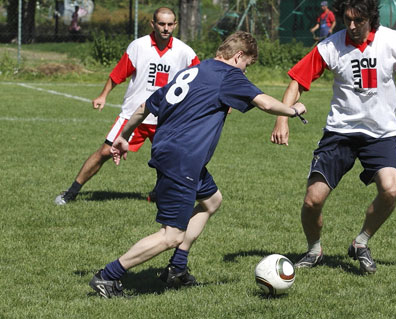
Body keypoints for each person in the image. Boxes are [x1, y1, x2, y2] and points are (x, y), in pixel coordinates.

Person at [89, 31, 306, 298]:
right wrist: (293, 110)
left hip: (176, 154)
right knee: (171, 236)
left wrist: (124, 135)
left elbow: (146, 105)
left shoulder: (194, 70)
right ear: (238, 56)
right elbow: (264, 103)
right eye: (247, 65)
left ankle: (176, 269)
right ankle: (108, 276)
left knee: (212, 201)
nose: (245, 72)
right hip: (182, 159)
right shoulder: (229, 75)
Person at [271, 0, 396, 274]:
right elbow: (297, 82)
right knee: (312, 200)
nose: (351, 26)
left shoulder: (393, 42)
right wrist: (282, 118)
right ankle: (314, 251)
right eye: (346, 19)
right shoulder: (331, 46)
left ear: (370, 18)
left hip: (380, 134)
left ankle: (361, 243)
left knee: (390, 189)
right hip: (339, 133)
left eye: (358, 20)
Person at [55, 7, 200, 205]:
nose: (166, 29)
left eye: (169, 24)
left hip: (165, 117)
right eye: (161, 24)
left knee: (171, 159)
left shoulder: (185, 53)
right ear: (153, 24)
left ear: (175, 25)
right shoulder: (138, 46)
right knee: (105, 152)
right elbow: (118, 73)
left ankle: (159, 192)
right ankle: (71, 192)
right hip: (134, 114)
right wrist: (103, 95)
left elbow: (200, 79)